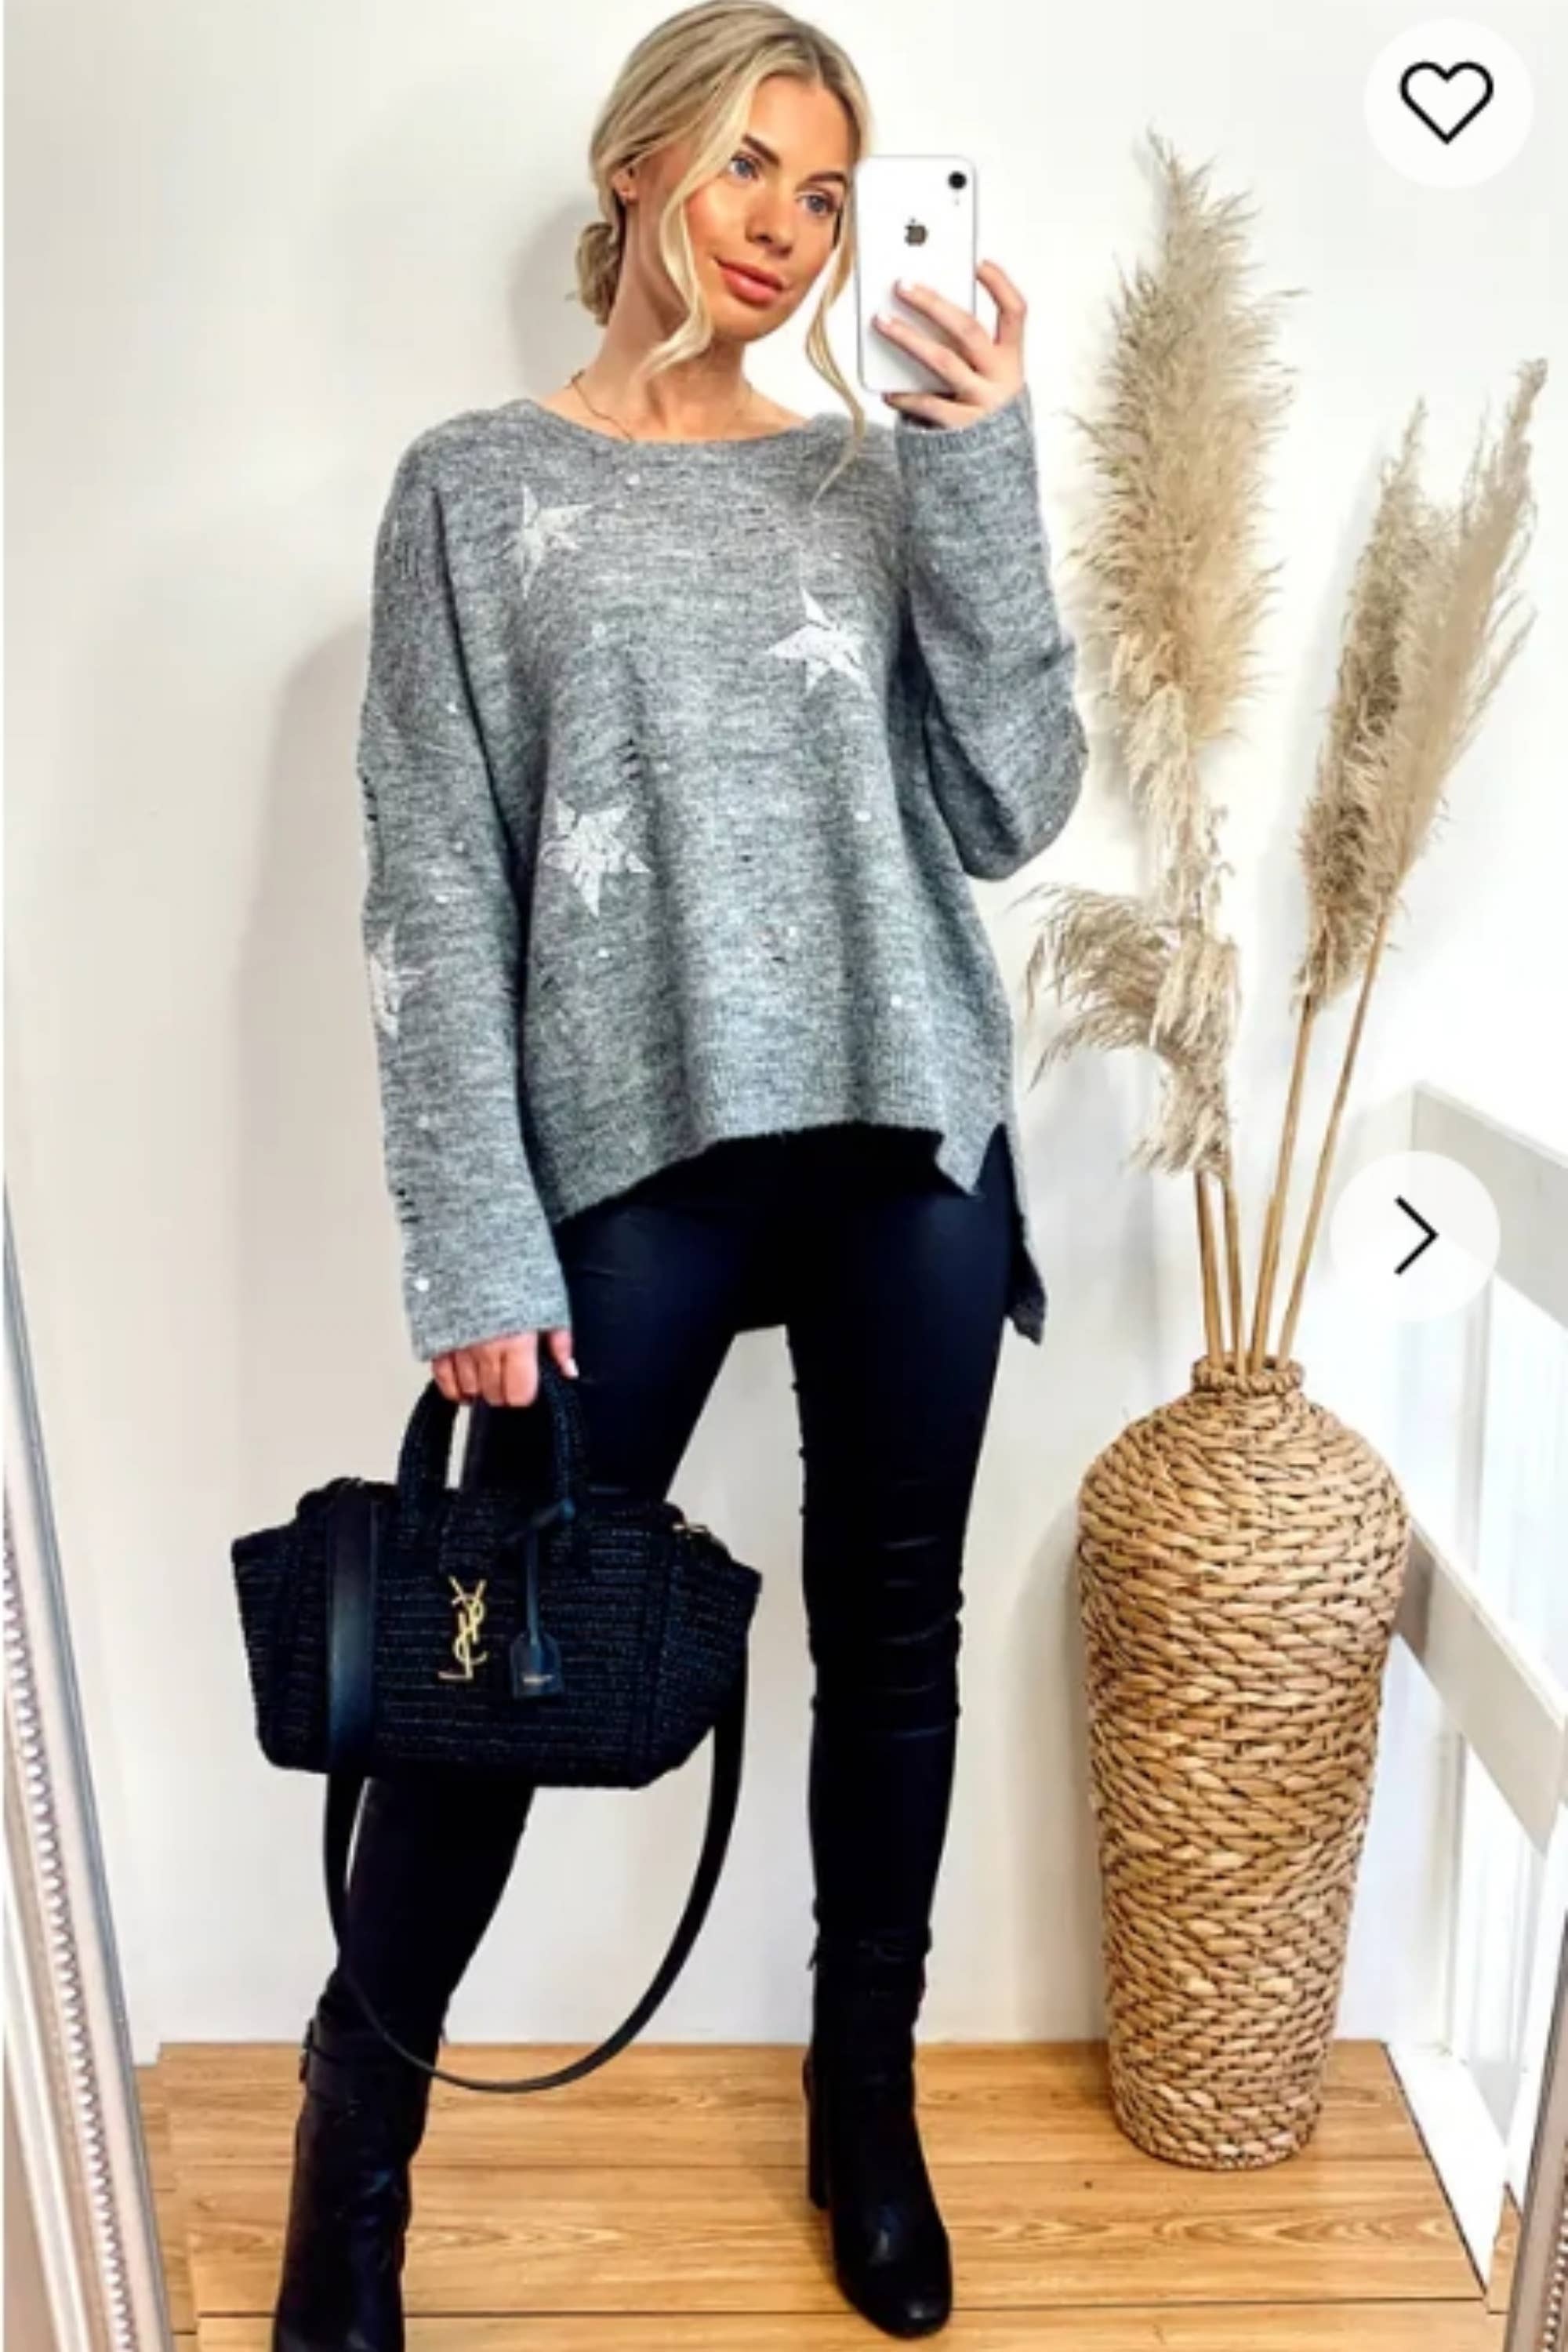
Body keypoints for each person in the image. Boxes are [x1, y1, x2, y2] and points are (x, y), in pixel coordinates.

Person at [272, 4, 1088, 2345]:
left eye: (826, 194)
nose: (786, 230)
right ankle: (357, 2139)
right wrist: (469, 1232)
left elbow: (1015, 806)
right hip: (633, 1154)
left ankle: (865, 2113)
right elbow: (434, 883)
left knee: (896, 1644)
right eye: (747, 166)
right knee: (495, 1660)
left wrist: (980, 459)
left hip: (904, 1130)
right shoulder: (469, 488)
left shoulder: (877, 476)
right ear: (635, 164)